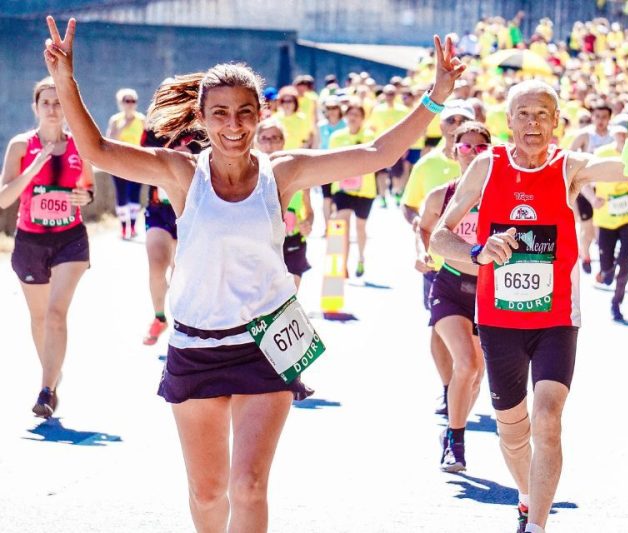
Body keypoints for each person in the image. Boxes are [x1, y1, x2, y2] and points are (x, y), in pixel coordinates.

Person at [43, 18, 463, 531]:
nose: (234, 125)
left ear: (260, 113)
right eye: (219, 114)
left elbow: (379, 154)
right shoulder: (182, 174)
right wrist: (66, 79)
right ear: (201, 118)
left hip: (267, 344)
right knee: (208, 493)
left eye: (245, 112)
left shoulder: (283, 172)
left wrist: (437, 95)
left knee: (249, 486)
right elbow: (99, 153)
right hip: (196, 348)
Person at [430, 79, 628, 533]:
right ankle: (525, 496)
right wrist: (478, 252)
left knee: (548, 419)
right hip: (498, 320)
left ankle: (537, 525)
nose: (532, 123)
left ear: (557, 122)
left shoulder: (568, 167)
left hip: (556, 318)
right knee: (512, 429)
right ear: (508, 121)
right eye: (523, 113)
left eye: (542, 114)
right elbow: (442, 234)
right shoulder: (487, 165)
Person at [0, 76, 94, 417]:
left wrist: (86, 196)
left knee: (56, 313)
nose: (53, 109)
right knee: (39, 318)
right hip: (30, 242)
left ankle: (45, 390)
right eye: (46, 103)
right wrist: (35, 167)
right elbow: (4, 198)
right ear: (35, 108)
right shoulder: (21, 146)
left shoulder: (79, 146)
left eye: (58, 103)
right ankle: (53, 375)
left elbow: (89, 189)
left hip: (70, 239)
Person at [417, 121, 489, 472]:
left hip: (490, 293)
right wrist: (422, 252)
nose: (473, 153)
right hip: (449, 285)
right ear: (454, 151)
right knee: (468, 364)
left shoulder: (501, 196)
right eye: (466, 147)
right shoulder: (442, 195)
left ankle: (452, 428)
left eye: (480, 148)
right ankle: (456, 442)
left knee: (476, 377)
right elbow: (424, 227)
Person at [402, 99, 475, 416]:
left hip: (476, 263)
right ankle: (448, 388)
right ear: (441, 126)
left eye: (463, 119)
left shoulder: (486, 161)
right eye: (450, 120)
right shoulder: (427, 165)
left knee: (473, 336)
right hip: (437, 260)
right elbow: (409, 205)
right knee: (437, 327)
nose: (455, 124)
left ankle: (465, 384)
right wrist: (420, 228)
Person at [140, 125, 202, 345]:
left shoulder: (202, 130)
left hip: (192, 209)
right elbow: (140, 163)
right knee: (157, 264)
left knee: (182, 272)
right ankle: (159, 317)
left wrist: (189, 159)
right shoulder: (153, 131)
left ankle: (181, 321)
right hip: (160, 209)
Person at [587, 125, 628, 321]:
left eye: (626, 132)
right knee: (607, 270)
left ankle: (616, 302)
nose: (622, 136)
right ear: (613, 134)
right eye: (619, 132)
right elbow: (583, 180)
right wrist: (592, 199)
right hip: (605, 217)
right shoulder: (601, 153)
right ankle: (607, 271)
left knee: (625, 259)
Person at [256, 119, 315, 288]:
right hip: (261, 244)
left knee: (290, 300)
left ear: (283, 141)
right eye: (265, 138)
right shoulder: (248, 173)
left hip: (293, 242)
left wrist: (308, 223)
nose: (270, 144)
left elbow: (309, 211)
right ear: (257, 142)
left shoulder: (298, 173)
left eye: (275, 138)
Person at [329, 102, 376, 278]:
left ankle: (361, 259)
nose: (353, 118)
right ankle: (341, 265)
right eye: (350, 114)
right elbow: (331, 160)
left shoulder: (370, 136)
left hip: (365, 189)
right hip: (342, 188)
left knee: (360, 227)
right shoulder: (337, 137)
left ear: (363, 118)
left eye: (357, 114)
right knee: (341, 222)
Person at [570, 102, 614, 274]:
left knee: (605, 228)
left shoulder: (614, 135)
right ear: (592, 117)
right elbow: (569, 155)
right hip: (587, 187)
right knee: (587, 227)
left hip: (608, 187)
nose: (600, 121)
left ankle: (606, 260)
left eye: (604, 117)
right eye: (597, 117)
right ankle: (586, 255)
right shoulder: (585, 135)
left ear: (609, 118)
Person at [106, 87, 145, 239]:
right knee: (121, 195)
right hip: (118, 163)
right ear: (120, 103)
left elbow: (146, 141)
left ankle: (133, 226)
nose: (129, 104)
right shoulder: (115, 120)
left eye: (133, 101)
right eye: (126, 101)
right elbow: (109, 141)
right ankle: (123, 228)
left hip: (137, 162)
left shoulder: (142, 119)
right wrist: (124, 125)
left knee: (134, 194)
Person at [316, 97, 346, 227]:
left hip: (341, 165)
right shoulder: (321, 126)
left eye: (334, 108)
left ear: (339, 109)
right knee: (326, 197)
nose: (332, 111)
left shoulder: (345, 125)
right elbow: (317, 144)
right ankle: (327, 227)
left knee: (338, 198)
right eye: (329, 108)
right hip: (324, 164)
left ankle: (337, 227)